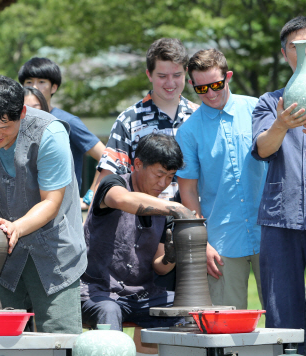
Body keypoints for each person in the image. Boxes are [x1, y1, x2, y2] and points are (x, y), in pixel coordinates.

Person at [0, 75, 87, 334]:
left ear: (22, 112)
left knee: (59, 340)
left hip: (56, 250)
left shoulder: (51, 133)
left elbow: (51, 202)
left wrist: (17, 227)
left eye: (4, 126)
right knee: (0, 338)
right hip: (5, 253)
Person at [81, 133, 194, 356]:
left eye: (170, 177)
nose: (163, 184)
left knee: (193, 312)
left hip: (143, 296)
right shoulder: (111, 185)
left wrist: (171, 256)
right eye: (159, 174)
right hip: (97, 291)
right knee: (109, 311)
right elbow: (124, 200)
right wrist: (176, 209)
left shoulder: (166, 207)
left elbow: (160, 267)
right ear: (138, 164)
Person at [176, 49, 266, 311]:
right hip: (221, 240)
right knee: (227, 326)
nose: (211, 93)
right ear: (192, 85)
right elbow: (188, 191)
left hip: (270, 231)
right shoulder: (188, 131)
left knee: (284, 320)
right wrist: (202, 243)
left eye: (216, 85)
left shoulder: (258, 108)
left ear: (228, 77)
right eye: (201, 88)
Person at [251, 16, 306, 354]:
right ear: (284, 53)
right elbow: (261, 149)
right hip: (280, 218)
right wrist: (282, 125)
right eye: (295, 47)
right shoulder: (270, 102)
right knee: (283, 310)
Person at [95, 38, 199, 194]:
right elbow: (105, 183)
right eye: (162, 76)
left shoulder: (199, 117)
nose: (170, 83)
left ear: (186, 72)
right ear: (149, 75)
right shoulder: (129, 120)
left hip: (193, 216)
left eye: (177, 75)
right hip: (142, 216)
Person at [18, 57, 104, 210]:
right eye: (29, 82)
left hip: (64, 211)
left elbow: (107, 157)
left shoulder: (67, 121)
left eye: (42, 82)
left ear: (54, 88)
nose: (35, 87)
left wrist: (89, 197)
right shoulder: (16, 121)